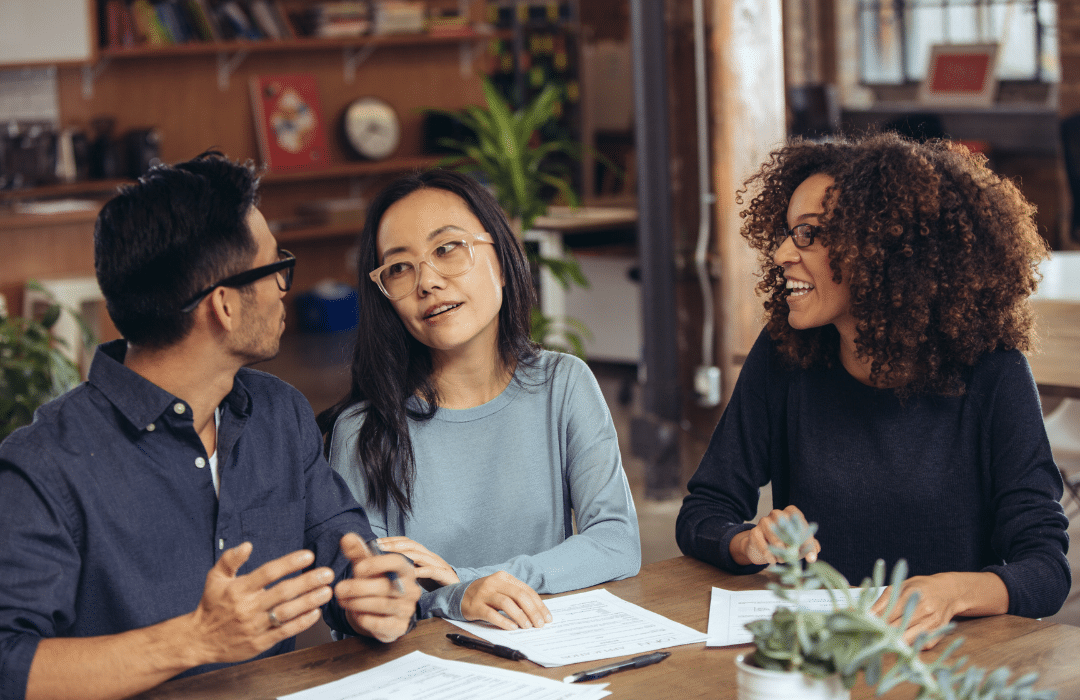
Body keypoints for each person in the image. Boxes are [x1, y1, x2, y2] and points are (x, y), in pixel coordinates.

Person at [0, 152, 421, 700]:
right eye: (275, 269)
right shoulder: (44, 464)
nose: (282, 289)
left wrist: (379, 596)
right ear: (223, 304)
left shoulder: (279, 414)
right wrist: (194, 641)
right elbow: (8, 664)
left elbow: (347, 552)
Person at [676, 132, 1071, 645]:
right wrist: (747, 542)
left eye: (808, 235)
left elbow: (1045, 567)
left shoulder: (992, 373)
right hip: (822, 652)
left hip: (950, 660)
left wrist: (952, 592)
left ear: (880, 249)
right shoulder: (784, 357)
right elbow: (703, 513)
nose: (779, 254)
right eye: (786, 232)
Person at [317, 169, 640, 630]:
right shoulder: (364, 429)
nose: (427, 281)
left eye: (447, 249)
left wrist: (468, 582)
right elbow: (371, 598)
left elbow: (615, 542)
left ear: (503, 262)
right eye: (400, 267)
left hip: (546, 650)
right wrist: (456, 599)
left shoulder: (564, 385)